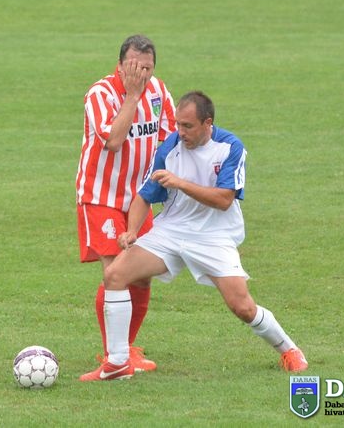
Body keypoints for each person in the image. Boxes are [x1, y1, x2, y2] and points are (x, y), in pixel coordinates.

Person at [80, 90, 308, 381]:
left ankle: (289, 350)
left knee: (242, 307)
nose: (180, 131)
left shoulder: (230, 147)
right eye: (177, 124)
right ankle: (117, 363)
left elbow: (224, 199)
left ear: (207, 123)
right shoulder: (169, 148)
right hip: (172, 230)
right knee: (115, 275)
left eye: (187, 126)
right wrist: (132, 231)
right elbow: (145, 196)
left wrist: (180, 183)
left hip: (214, 236)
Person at [75, 35, 176, 374]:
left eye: (147, 68)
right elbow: (115, 141)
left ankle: (126, 349)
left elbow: (169, 140)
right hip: (101, 197)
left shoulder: (159, 91)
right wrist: (132, 97)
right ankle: (113, 356)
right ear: (120, 65)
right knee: (116, 271)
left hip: (139, 200)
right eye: (134, 67)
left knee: (141, 277)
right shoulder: (100, 94)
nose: (141, 75)